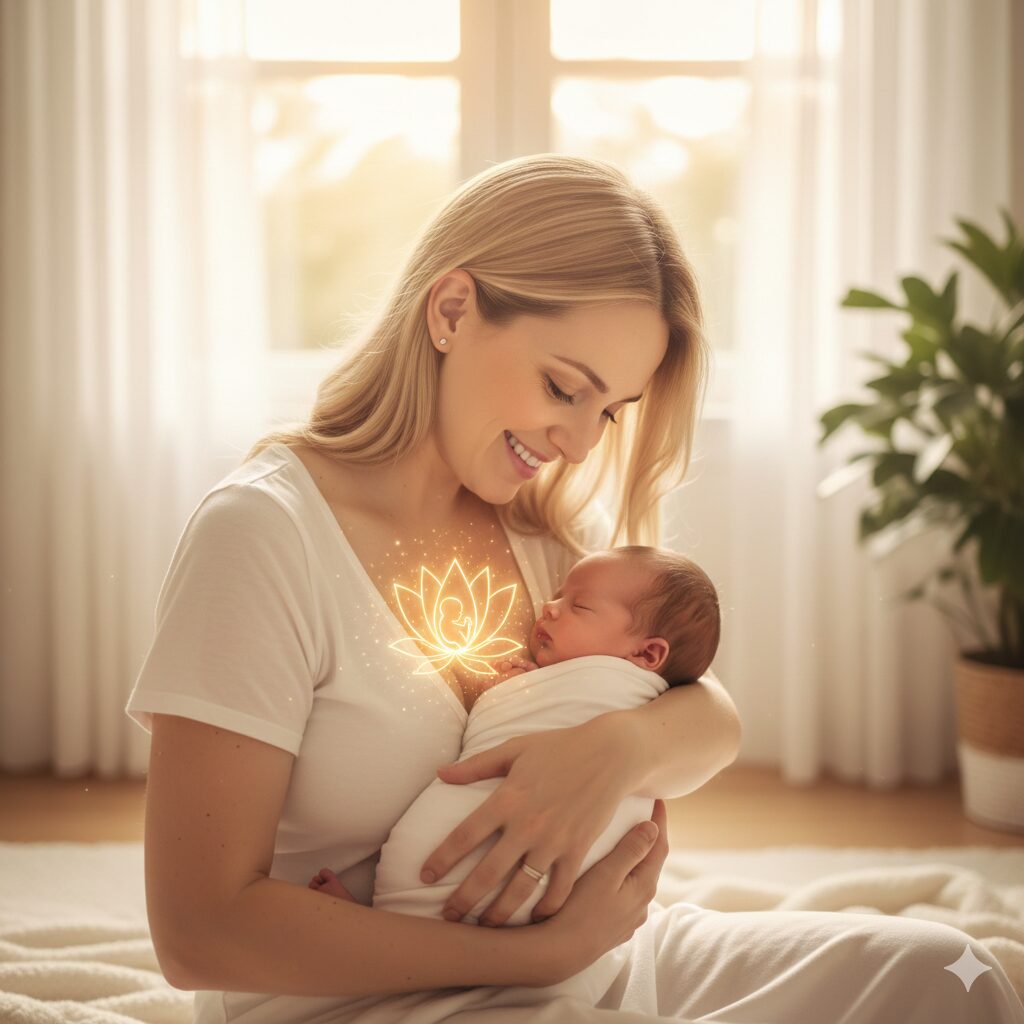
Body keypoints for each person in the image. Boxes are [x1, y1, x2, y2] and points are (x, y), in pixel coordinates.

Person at [125, 154, 1024, 1024]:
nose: (582, 444)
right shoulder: (264, 536)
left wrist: (618, 750)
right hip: (375, 999)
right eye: (565, 388)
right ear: (450, 310)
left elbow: (711, 719)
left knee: (953, 980)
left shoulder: (534, 535)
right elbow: (200, 933)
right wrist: (539, 957)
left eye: (611, 411)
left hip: (597, 963)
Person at [307, 544, 721, 1014]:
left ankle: (384, 924)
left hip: (592, 922)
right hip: (549, 943)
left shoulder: (626, 686)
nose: (549, 606)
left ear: (647, 653)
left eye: (577, 605)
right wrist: (525, 689)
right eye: (558, 595)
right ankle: (393, 935)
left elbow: (719, 721)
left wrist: (614, 738)